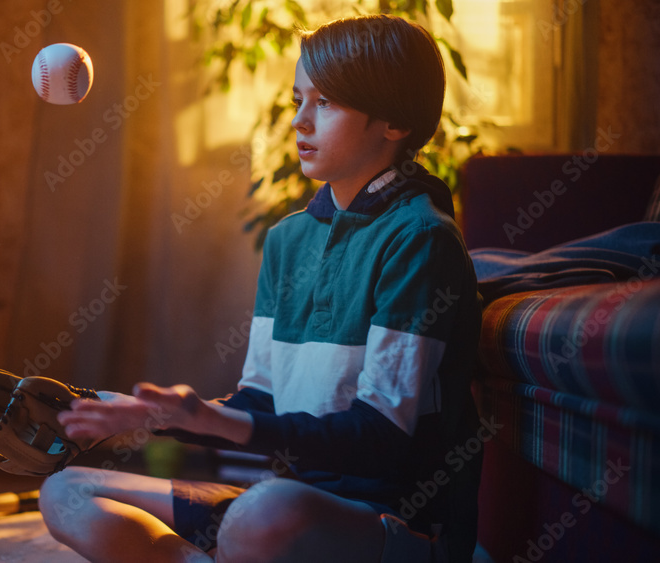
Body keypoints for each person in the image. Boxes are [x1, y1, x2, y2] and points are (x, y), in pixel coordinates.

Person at [39, 13, 482, 563]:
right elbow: (261, 402)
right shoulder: (288, 240)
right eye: (298, 99)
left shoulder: (420, 239)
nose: (299, 121)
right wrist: (146, 413)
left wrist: (206, 418)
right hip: (280, 505)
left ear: (393, 121)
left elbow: (382, 442)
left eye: (325, 103)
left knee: (262, 513)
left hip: (388, 519)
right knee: (66, 491)